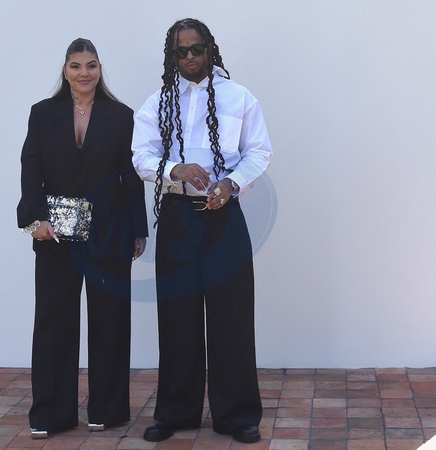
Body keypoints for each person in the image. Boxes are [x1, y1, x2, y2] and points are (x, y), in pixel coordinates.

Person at [132, 18, 272, 444]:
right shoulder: (158, 102)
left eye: (197, 49)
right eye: (182, 51)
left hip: (224, 218)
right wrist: (175, 169)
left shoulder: (239, 97)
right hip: (178, 219)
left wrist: (230, 184)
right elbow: (141, 155)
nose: (190, 57)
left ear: (210, 48)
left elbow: (259, 152)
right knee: (178, 317)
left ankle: (237, 415)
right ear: (171, 56)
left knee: (232, 317)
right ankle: (176, 412)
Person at [17, 38, 148, 439]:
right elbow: (30, 167)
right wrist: (33, 220)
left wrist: (138, 228)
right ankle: (51, 413)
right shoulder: (42, 113)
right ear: (65, 70)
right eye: (76, 66)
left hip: (110, 232)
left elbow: (131, 174)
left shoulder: (122, 116)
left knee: (110, 320)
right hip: (55, 233)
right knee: (53, 321)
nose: (84, 73)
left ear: (99, 69)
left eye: (91, 65)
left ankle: (107, 410)